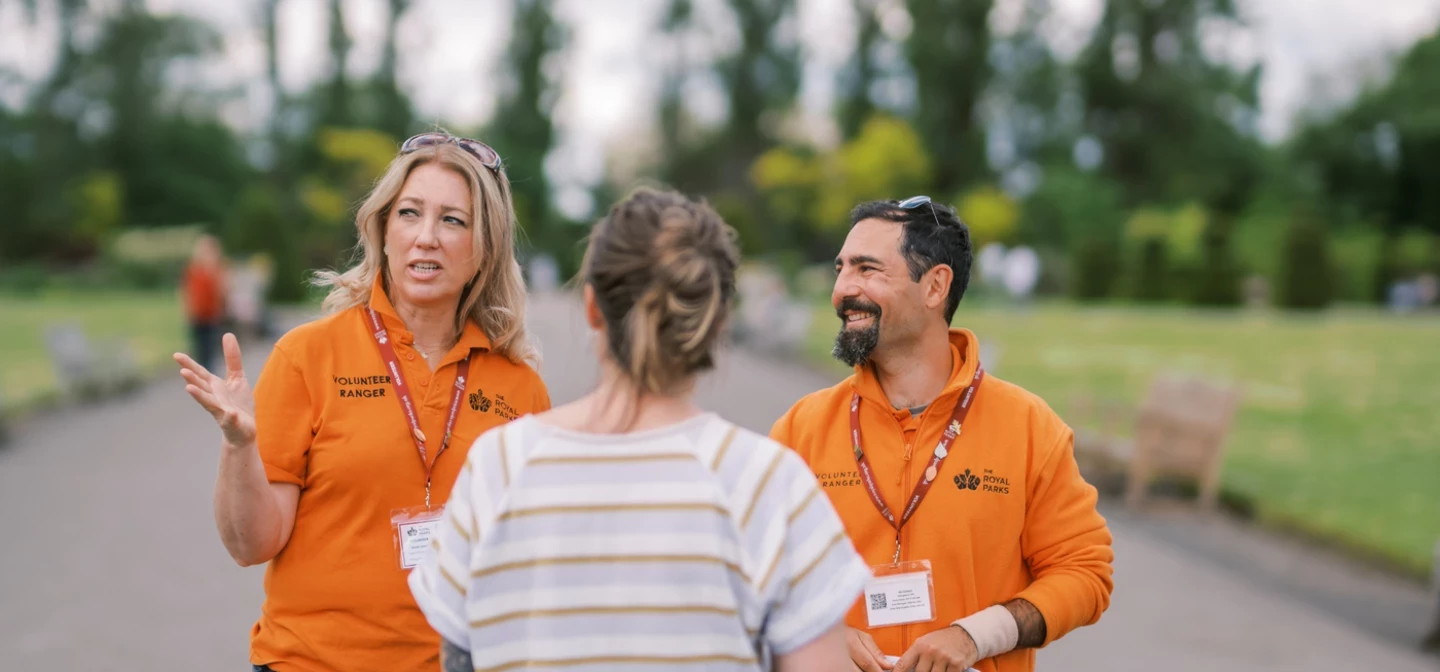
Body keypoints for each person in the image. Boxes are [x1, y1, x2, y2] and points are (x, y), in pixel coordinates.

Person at [408, 187, 870, 671]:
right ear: (716, 324)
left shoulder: (497, 466)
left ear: (591, 307)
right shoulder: (770, 484)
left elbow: (458, 659)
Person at [173, 132, 552, 672]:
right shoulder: (308, 355)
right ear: (383, 228)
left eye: (453, 220)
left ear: (484, 247)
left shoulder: (521, 388)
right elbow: (250, 544)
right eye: (410, 213)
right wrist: (240, 446)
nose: (426, 237)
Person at [770, 197, 1114, 672]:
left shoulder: (1030, 427)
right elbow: (756, 573)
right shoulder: (801, 429)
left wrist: (975, 636)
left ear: (935, 286)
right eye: (841, 268)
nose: (842, 290)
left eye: (868, 269)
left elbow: (1084, 573)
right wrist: (823, 630)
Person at [182, 233, 228, 372]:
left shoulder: (218, 269)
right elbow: (186, 290)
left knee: (209, 347)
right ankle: (199, 370)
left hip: (211, 314)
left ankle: (208, 372)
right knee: (198, 346)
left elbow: (223, 290)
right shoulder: (193, 269)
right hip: (197, 313)